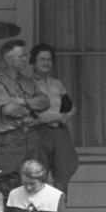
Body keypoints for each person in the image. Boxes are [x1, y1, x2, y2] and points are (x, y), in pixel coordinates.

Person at [0, 38, 43, 183]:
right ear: (9, 60)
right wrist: (31, 107)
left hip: (32, 137)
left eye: (25, 55)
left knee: (33, 180)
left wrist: (23, 101)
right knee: (8, 183)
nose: (26, 59)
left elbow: (45, 102)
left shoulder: (30, 82)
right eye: (21, 56)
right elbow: (8, 110)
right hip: (10, 139)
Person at [27, 42, 80, 192]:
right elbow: (37, 115)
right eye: (42, 59)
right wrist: (59, 116)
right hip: (39, 134)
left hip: (60, 134)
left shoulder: (57, 84)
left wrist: (65, 117)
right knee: (38, 175)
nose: (46, 63)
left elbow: (72, 107)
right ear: (34, 62)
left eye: (49, 59)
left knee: (63, 174)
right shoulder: (28, 84)